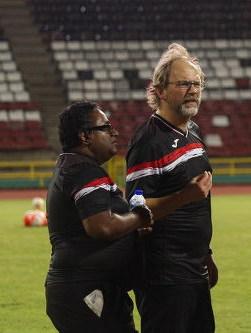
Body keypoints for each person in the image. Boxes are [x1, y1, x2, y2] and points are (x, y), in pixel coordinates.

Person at [125, 43, 216, 333]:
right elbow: (136, 207)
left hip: (194, 269)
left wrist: (206, 254)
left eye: (196, 83)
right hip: (164, 274)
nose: (192, 90)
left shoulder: (194, 131)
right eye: (183, 84)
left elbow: (197, 206)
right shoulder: (149, 140)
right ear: (160, 91)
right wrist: (184, 196)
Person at [45, 101, 154, 333]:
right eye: (105, 127)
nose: (114, 132)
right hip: (87, 291)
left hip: (86, 289)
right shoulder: (83, 170)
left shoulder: (71, 165)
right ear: (85, 136)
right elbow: (101, 227)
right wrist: (138, 218)